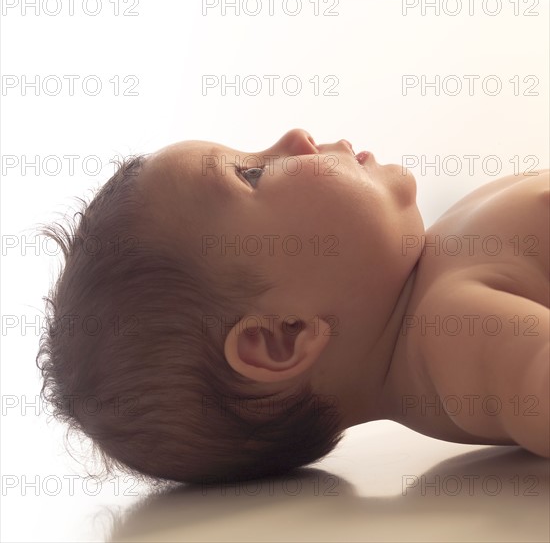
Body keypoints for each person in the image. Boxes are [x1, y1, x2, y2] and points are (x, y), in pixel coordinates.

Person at [36, 128, 549, 485]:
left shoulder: (434, 278)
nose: (295, 137)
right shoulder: (451, 335)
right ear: (284, 335)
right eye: (252, 175)